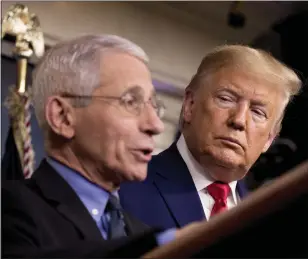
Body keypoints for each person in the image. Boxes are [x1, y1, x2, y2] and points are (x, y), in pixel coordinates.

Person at [2, 34, 202, 258]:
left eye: (154, 106)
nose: (155, 125)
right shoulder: (9, 208)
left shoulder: (139, 230)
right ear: (62, 117)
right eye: (130, 102)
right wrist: (161, 246)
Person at [119, 45, 302, 229]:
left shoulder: (268, 224)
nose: (239, 120)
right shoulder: (123, 185)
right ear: (190, 105)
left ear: (270, 139)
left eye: (257, 112)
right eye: (226, 99)